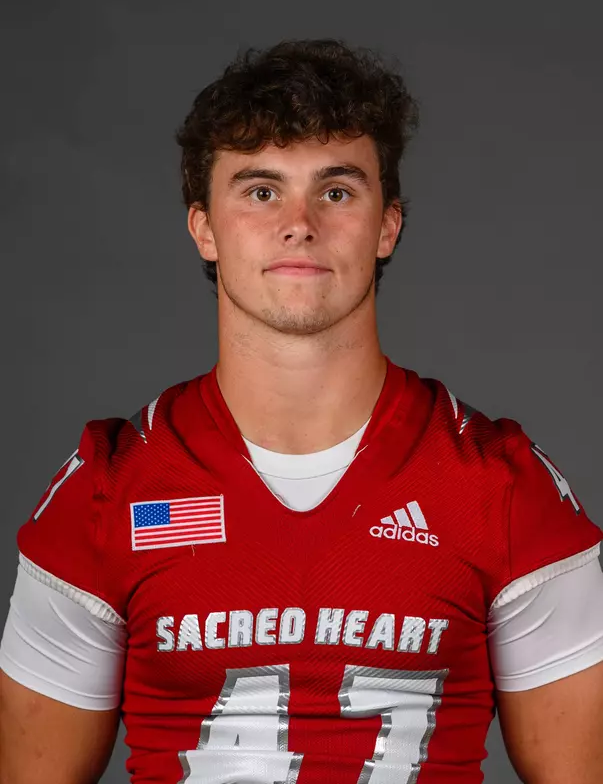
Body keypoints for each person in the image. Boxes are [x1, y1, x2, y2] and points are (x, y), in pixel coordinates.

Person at [1, 38, 602, 784]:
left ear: (388, 223)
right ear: (203, 227)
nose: (299, 222)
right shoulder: (106, 490)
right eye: (260, 191)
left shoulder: (503, 486)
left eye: (337, 190)